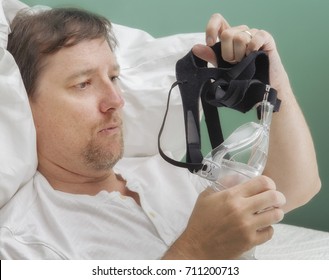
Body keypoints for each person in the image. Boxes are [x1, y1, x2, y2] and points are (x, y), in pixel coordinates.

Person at [0, 7, 321, 260]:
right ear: (26, 104)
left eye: (113, 77)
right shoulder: (23, 241)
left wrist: (270, 74)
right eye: (83, 84)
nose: (116, 100)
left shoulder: (162, 170)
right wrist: (195, 251)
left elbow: (296, 187)